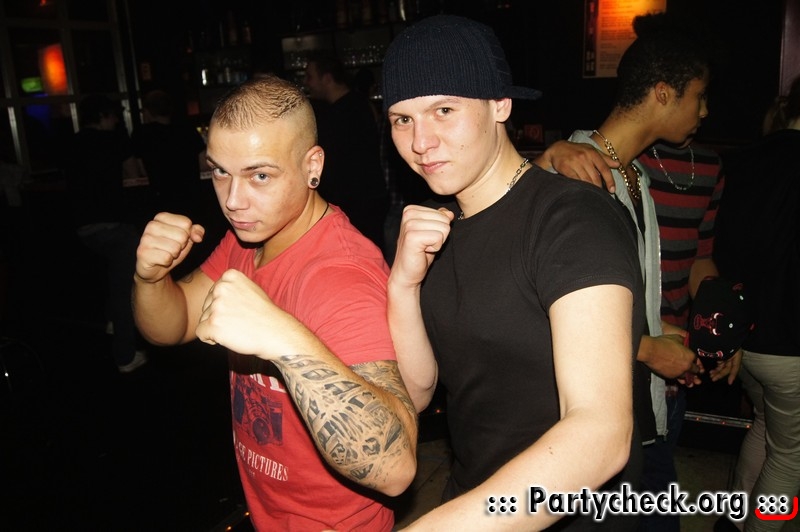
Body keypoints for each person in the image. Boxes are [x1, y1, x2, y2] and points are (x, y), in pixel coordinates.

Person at [383, 14, 644, 529]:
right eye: (401, 120)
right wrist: (403, 285)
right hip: (474, 495)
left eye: (443, 110)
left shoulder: (572, 219)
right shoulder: (427, 225)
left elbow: (601, 434)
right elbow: (417, 392)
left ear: (500, 104)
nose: (421, 142)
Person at [131, 74, 417, 531]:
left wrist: (283, 338)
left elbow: (395, 469)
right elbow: (174, 323)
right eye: (220, 172)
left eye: (259, 175)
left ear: (312, 165)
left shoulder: (340, 276)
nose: (233, 201)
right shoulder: (250, 237)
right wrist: (149, 278)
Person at [536, 12, 720, 531]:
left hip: (639, 407)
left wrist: (663, 334)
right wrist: (647, 348)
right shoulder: (574, 172)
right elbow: (536, 306)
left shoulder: (635, 175)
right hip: (592, 413)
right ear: (663, 93)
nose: (704, 110)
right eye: (698, 96)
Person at [713, 75, 800, 532]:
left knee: (765, 428)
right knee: (791, 457)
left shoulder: (745, 159)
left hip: (742, 336)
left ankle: (732, 523)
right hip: (790, 341)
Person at [63, 93, 148, 373]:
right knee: (125, 287)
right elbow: (134, 173)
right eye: (113, 116)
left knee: (115, 275)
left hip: (83, 227)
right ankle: (125, 356)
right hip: (112, 223)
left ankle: (112, 321)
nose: (116, 121)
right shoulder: (113, 140)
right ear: (103, 116)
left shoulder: (73, 141)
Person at [303, 51, 389, 252]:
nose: (306, 83)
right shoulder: (361, 103)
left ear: (327, 78)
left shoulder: (339, 113)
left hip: (357, 204)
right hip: (370, 199)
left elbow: (334, 166)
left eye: (310, 76)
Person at [131, 89, 207, 218]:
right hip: (191, 197)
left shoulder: (141, 134)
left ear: (148, 112)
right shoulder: (187, 130)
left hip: (160, 200)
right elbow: (203, 163)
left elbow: (141, 170)